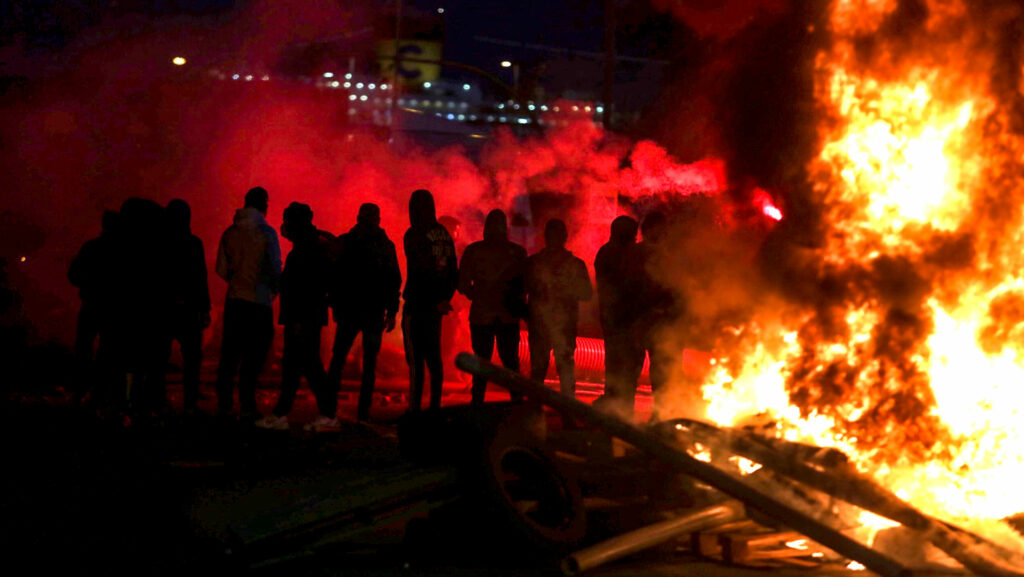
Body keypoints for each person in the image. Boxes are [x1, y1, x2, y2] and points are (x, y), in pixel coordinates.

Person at [255, 202, 336, 431]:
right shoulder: (311, 245)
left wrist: (299, 319)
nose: (284, 225)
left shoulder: (306, 249)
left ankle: (326, 414)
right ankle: (286, 413)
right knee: (298, 367)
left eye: (288, 219)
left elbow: (304, 287)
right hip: (304, 317)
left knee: (307, 366)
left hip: (302, 317)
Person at [327, 203, 401, 423]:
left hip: (351, 311)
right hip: (372, 312)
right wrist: (391, 310)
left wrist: (335, 305)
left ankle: (329, 408)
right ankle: (362, 413)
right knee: (368, 364)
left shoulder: (347, 242)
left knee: (339, 360)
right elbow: (393, 280)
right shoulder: (385, 246)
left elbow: (334, 276)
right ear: (378, 220)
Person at [214, 186, 282, 422]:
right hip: (259, 303)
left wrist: (238, 280)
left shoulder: (229, 233)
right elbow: (275, 269)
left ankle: (224, 404)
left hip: (234, 302)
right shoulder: (267, 233)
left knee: (230, 354)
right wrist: (271, 290)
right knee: (254, 356)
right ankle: (247, 405)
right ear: (264, 205)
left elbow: (221, 269)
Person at [457, 209, 528, 405]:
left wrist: (476, 294)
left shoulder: (474, 251)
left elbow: (462, 282)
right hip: (506, 315)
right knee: (510, 363)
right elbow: (526, 284)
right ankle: (517, 404)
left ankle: (478, 403)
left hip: (483, 314)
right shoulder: (517, 252)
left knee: (482, 363)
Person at [402, 189, 458, 412]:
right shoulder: (443, 234)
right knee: (434, 358)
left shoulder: (414, 233)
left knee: (416, 359)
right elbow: (453, 271)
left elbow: (420, 270)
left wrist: (431, 299)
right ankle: (435, 405)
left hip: (417, 305)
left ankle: (415, 407)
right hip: (436, 309)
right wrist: (444, 299)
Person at [525, 219, 592, 398]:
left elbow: (520, 291)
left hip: (544, 325)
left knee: (540, 371)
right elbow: (587, 293)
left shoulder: (535, 262)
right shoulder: (575, 265)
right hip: (561, 325)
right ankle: (566, 415)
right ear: (565, 238)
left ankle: (535, 413)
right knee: (564, 371)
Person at [159, 199, 211, 416]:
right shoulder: (193, 243)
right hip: (189, 309)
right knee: (192, 359)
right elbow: (200, 278)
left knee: (159, 356)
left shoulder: (158, 243)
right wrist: (204, 308)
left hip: (163, 308)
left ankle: (158, 400)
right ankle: (189, 402)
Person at [593, 215, 644, 419]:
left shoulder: (609, 253)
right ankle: (618, 416)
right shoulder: (614, 254)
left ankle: (618, 415)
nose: (634, 239)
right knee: (622, 371)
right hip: (621, 321)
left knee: (621, 371)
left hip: (621, 321)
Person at [68, 210, 120, 408]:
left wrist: (88, 284)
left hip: (91, 305)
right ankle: (100, 393)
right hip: (112, 309)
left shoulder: (91, 248)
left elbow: (73, 275)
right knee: (107, 351)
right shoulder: (121, 251)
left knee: (84, 349)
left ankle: (81, 391)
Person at [637, 211, 684, 420]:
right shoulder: (636, 255)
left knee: (665, 370)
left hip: (664, 323)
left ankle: (664, 414)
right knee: (635, 369)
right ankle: (623, 415)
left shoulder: (673, 257)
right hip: (642, 320)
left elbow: (681, 290)